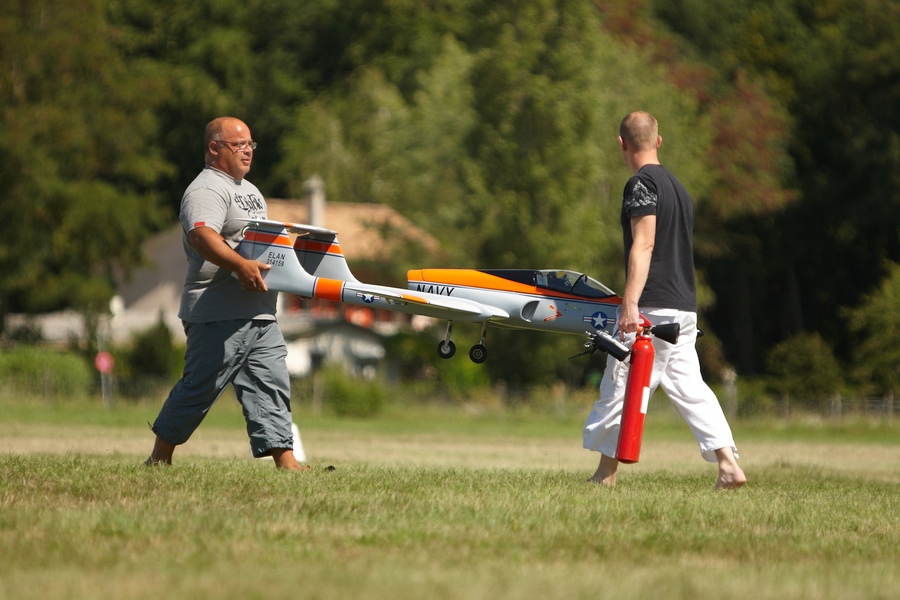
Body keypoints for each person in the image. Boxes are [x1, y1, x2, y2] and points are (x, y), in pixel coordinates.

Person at [582, 111, 746, 490]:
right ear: (659, 141)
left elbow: (645, 243)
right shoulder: (679, 189)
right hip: (683, 307)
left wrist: (630, 304)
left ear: (621, 144)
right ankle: (727, 465)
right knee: (690, 388)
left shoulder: (640, 185)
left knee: (620, 382)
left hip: (652, 307)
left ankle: (605, 476)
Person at [145, 116, 306, 471]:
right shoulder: (206, 190)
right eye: (239, 145)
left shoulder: (249, 191)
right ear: (214, 148)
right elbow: (202, 236)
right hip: (216, 311)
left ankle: (287, 462)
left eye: (251, 144)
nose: (248, 151)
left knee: (271, 383)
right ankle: (158, 459)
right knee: (200, 387)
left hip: (259, 312)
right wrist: (238, 266)